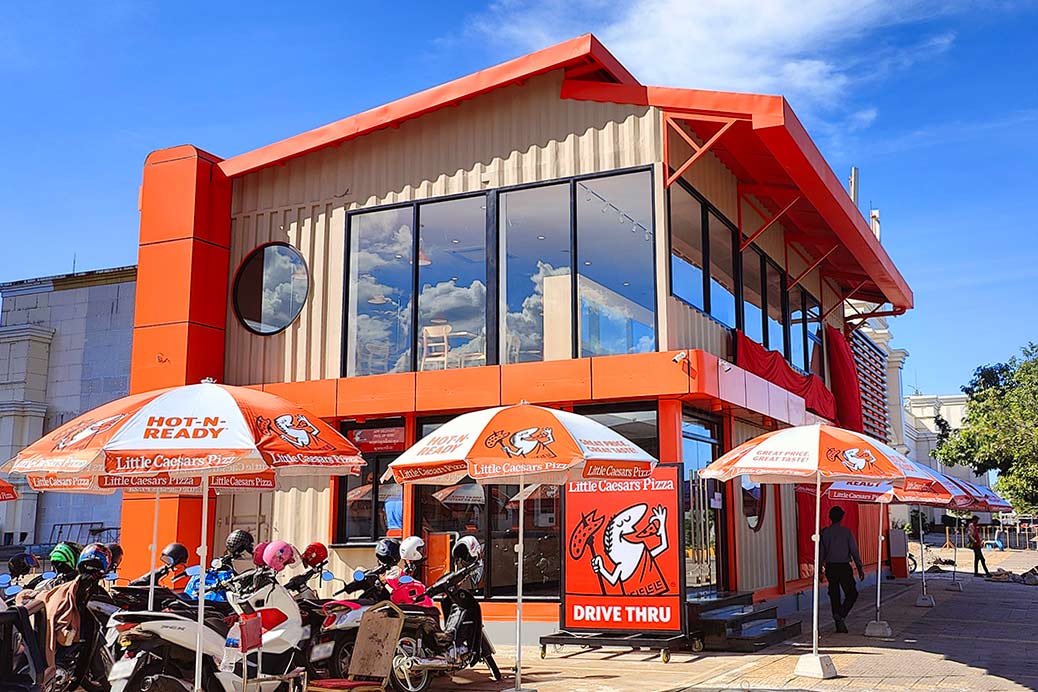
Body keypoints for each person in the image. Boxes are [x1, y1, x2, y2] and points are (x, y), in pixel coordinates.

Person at [820, 506, 864, 633]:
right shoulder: (847, 532)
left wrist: (819, 570)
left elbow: (821, 553)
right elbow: (854, 551)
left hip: (831, 567)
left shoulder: (825, 533)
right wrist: (859, 567)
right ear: (842, 518)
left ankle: (837, 618)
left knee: (834, 594)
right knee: (852, 593)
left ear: (830, 518)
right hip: (844, 566)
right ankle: (841, 614)